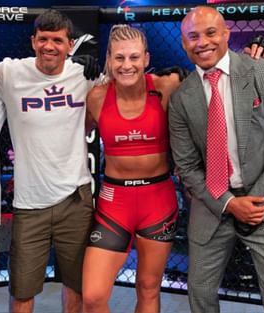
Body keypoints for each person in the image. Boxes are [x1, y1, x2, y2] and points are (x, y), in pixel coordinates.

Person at [168, 6, 264, 313]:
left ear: (225, 34)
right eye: (193, 36)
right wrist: (230, 203)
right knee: (200, 291)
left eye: (210, 33)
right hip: (215, 204)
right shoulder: (182, 98)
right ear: (184, 43)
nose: (202, 42)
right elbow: (188, 167)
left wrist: (255, 201)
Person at [0, 9, 99, 313]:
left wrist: (96, 59)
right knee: (21, 290)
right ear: (33, 41)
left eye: (58, 40)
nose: (50, 46)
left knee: (76, 285)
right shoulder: (9, 74)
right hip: (29, 204)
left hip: (75, 198)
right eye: (44, 39)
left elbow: (127, 74)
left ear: (69, 44)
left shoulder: (84, 75)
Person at [82, 24, 182, 313]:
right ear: (109, 60)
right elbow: (68, 130)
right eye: (120, 58)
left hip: (158, 201)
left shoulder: (165, 87)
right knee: (92, 296)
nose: (127, 65)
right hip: (114, 203)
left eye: (134, 58)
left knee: (148, 289)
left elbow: (203, 78)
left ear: (146, 59)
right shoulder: (97, 96)